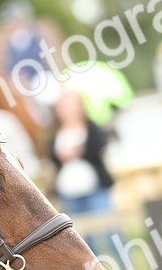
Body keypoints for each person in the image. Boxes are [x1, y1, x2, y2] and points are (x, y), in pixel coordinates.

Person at [49, 89, 117, 255]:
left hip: (95, 187)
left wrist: (78, 151)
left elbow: (99, 147)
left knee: (110, 231)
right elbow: (51, 156)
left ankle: (125, 265)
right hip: (69, 191)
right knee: (83, 238)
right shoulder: (55, 133)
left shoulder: (91, 128)